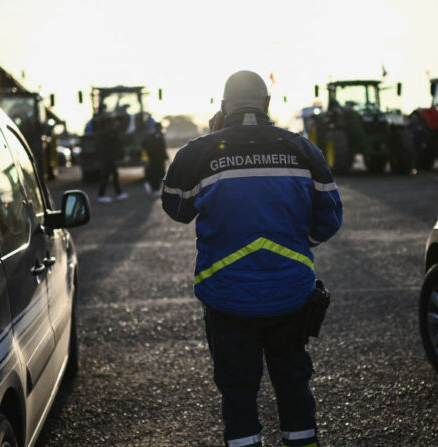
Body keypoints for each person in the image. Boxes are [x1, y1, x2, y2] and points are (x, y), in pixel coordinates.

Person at [161, 70, 343, 447]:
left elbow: (176, 208)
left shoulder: (202, 151)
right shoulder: (302, 149)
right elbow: (329, 220)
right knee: (294, 388)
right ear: (266, 104)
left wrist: (211, 139)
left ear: (224, 107)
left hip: (227, 300)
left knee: (238, 396)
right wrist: (294, 241)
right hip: (291, 295)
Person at [97, 113, 128, 202]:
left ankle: (117, 193)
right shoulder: (107, 134)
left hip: (108, 158)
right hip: (108, 158)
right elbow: (115, 141)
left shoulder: (105, 133)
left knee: (111, 175)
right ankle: (102, 195)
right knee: (107, 176)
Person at [143, 122, 167, 196]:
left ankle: (157, 188)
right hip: (155, 159)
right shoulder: (156, 136)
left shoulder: (158, 135)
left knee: (160, 174)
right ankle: (156, 189)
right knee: (158, 174)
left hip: (158, 158)